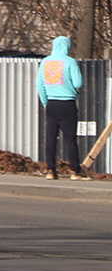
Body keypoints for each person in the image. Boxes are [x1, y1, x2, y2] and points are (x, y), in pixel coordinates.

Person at [37, 35, 92, 181]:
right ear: (67, 46)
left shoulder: (45, 62)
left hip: (51, 104)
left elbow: (40, 85)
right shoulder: (70, 62)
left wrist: (45, 103)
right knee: (70, 139)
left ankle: (50, 170)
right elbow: (78, 83)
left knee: (50, 138)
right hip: (67, 103)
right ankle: (75, 171)